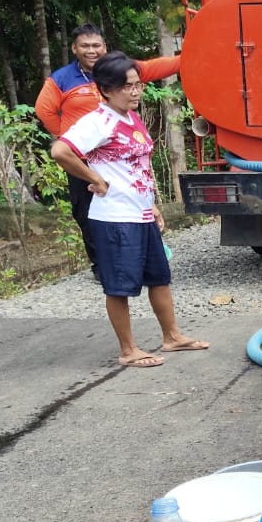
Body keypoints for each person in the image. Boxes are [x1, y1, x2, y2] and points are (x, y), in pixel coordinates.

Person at [49, 52, 208, 368]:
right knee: (119, 285)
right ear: (106, 89)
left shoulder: (130, 117)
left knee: (159, 278)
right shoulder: (98, 121)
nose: (135, 92)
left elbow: (138, 166)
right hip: (115, 217)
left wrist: (152, 205)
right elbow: (61, 151)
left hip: (141, 213)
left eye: (137, 85)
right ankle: (128, 350)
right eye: (127, 87)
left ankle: (172, 336)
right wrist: (95, 178)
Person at [35, 24, 181, 274]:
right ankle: (101, 265)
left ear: (105, 46)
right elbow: (44, 110)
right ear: (74, 48)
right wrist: (68, 135)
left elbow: (156, 67)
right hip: (82, 157)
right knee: (87, 212)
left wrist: (187, 58)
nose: (91, 51)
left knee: (131, 206)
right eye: (85, 46)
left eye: (96, 45)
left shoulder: (122, 71)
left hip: (120, 157)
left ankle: (136, 259)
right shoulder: (61, 78)